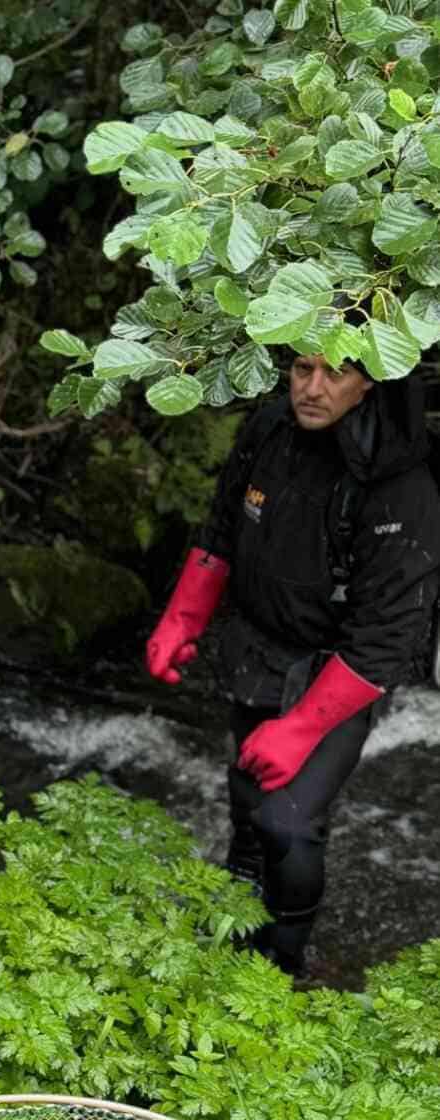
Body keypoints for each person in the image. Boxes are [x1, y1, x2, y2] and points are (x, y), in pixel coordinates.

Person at [146, 353, 440, 977]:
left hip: (337, 669)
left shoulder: (402, 486)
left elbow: (386, 640)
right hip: (259, 640)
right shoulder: (272, 428)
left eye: (335, 374)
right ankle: (232, 923)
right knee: (248, 800)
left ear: (371, 382)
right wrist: (183, 617)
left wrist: (301, 727)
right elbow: (224, 525)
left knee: (287, 821)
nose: (313, 388)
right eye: (303, 368)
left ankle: (283, 967)